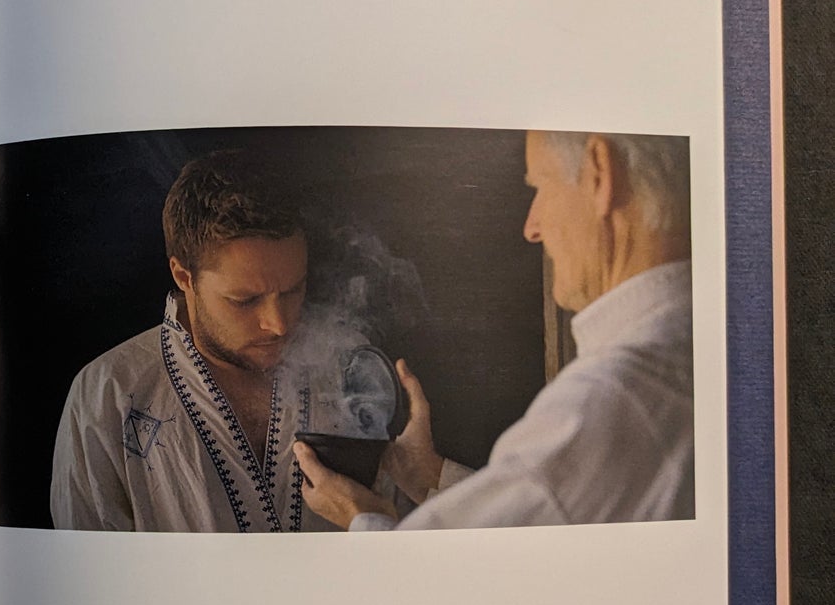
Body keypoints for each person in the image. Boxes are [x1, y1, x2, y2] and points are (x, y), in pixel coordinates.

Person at [296, 130, 695, 531]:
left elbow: (454, 572)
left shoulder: (608, 401)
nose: (532, 228)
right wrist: (427, 474)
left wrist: (363, 517)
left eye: (540, 186)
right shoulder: (689, 354)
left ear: (599, 173)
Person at [49, 151, 320, 533]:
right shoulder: (106, 395)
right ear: (183, 276)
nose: (278, 325)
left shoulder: (350, 371)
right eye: (244, 300)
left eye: (293, 291)